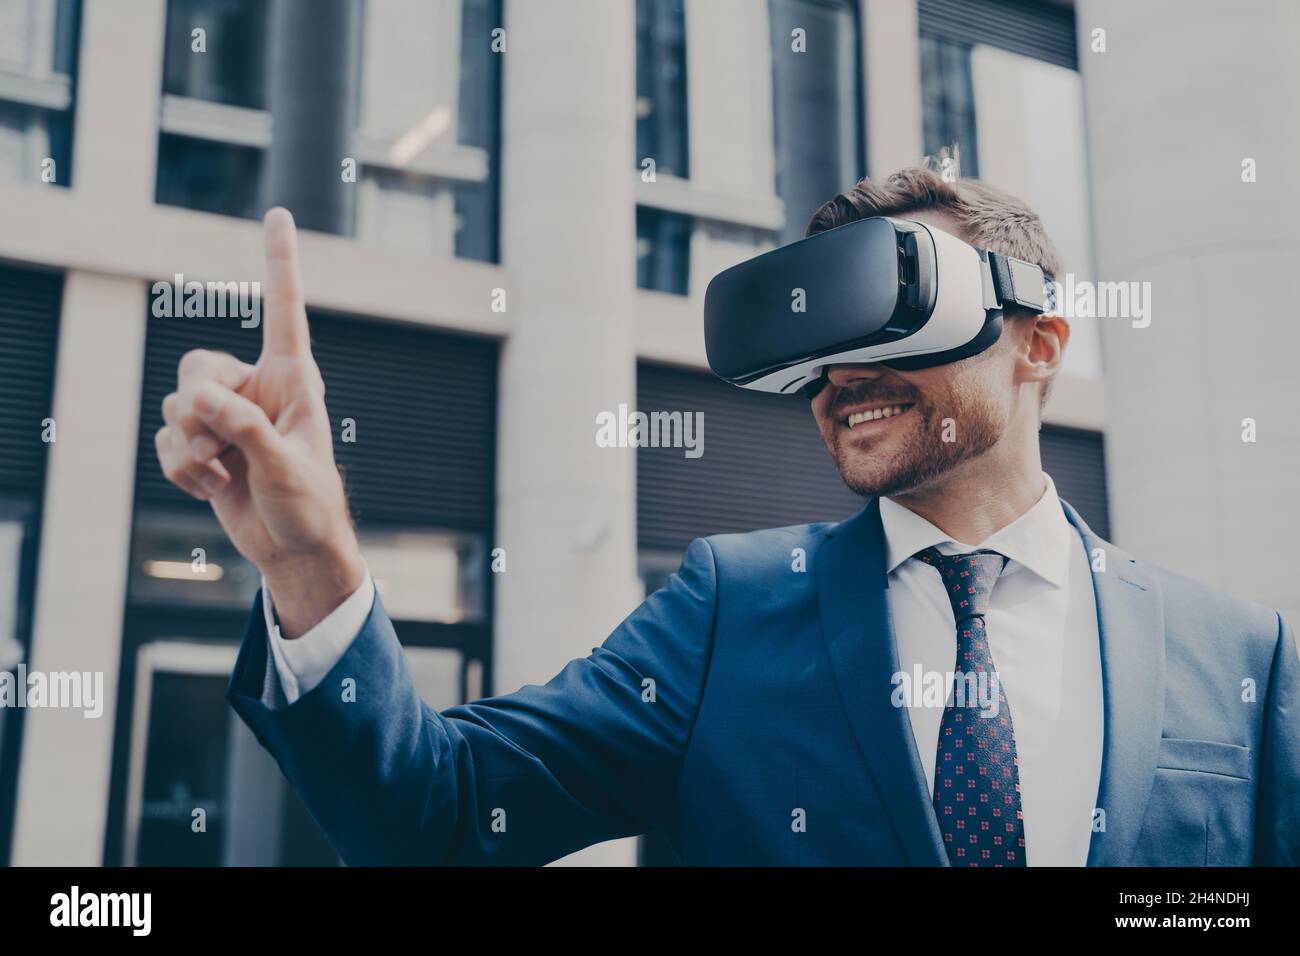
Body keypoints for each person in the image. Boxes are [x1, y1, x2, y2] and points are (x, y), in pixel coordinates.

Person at [154, 168, 1298, 866]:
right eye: (817, 340)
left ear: (1036, 343)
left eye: (893, 314)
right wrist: (312, 562)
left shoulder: (1237, 655)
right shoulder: (730, 609)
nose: (842, 374)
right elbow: (432, 821)